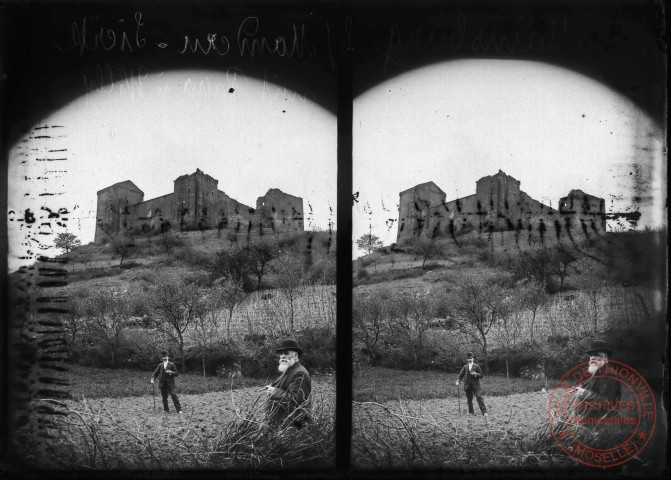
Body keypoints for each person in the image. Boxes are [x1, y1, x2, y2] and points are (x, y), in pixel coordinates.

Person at [260, 338, 312, 429]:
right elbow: (283, 388)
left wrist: (274, 391)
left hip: (291, 427)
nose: (282, 356)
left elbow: (296, 400)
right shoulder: (289, 371)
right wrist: (271, 387)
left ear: (295, 356)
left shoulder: (300, 373)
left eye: (286, 353)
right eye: (281, 353)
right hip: (279, 424)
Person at [574, 339, 621, 404]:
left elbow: (608, 401)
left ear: (605, 358)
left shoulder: (610, 374)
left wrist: (584, 393)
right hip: (585, 413)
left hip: (601, 414)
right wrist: (580, 389)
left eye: (596, 354)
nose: (592, 358)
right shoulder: (595, 372)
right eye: (591, 355)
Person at [455, 352, 487, 416]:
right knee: (469, 400)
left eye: (471, 358)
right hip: (467, 385)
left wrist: (476, 374)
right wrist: (458, 381)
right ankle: (471, 413)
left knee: (479, 397)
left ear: (473, 359)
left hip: (476, 385)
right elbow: (460, 375)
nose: (469, 360)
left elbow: (481, 375)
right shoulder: (465, 367)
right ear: (467, 359)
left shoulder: (477, 366)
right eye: (468, 358)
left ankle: (484, 412)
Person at [151, 350, 182, 414]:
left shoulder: (172, 364)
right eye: (163, 357)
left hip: (171, 383)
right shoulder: (160, 365)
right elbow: (155, 373)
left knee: (173, 395)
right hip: (162, 383)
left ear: (168, 357)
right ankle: (166, 410)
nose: (164, 358)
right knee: (164, 397)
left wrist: (171, 372)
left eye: (166, 356)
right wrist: (152, 379)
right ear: (162, 358)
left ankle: (179, 410)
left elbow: (176, 373)